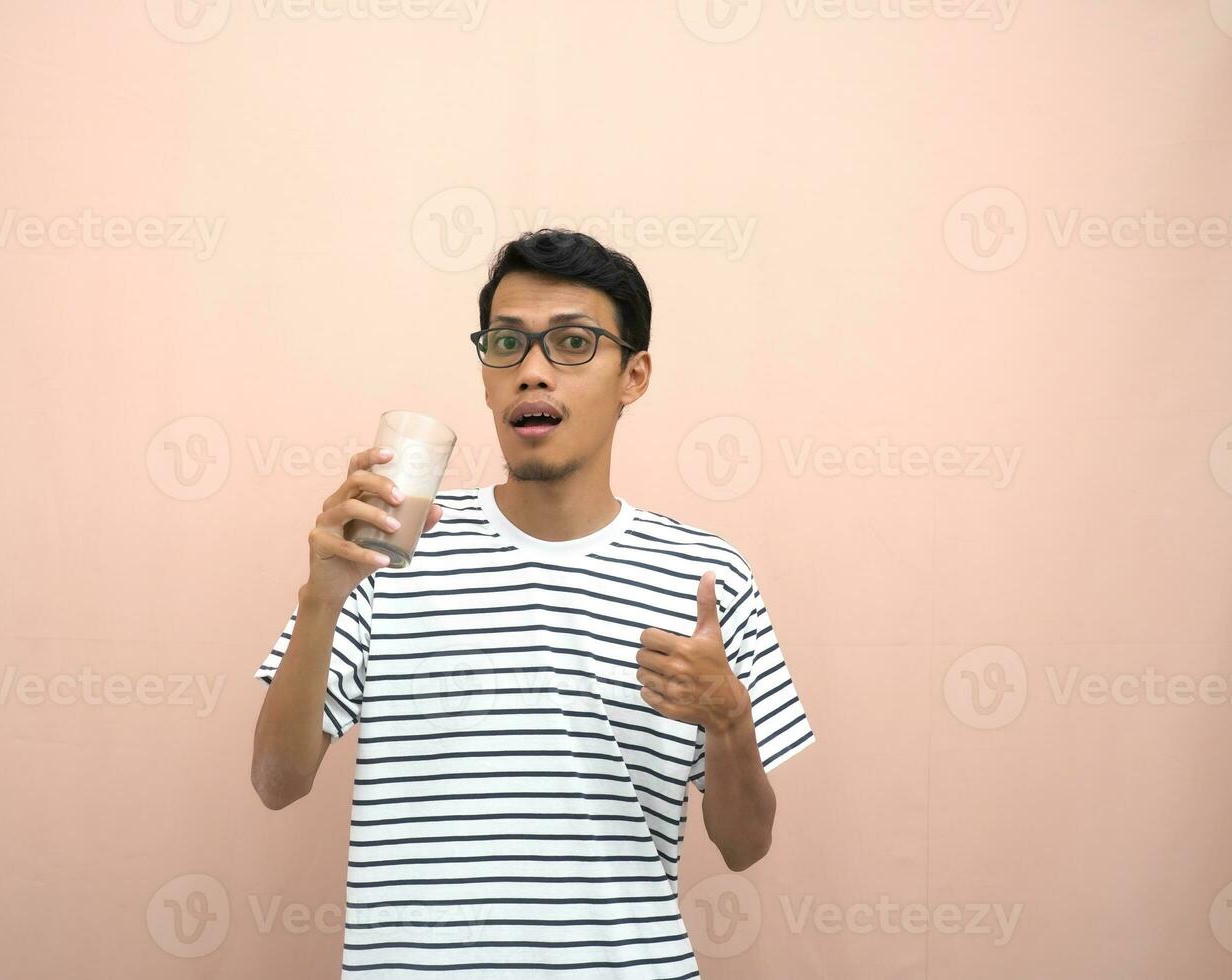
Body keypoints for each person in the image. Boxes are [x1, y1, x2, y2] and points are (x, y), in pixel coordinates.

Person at [251, 228, 816, 978]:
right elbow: (276, 783)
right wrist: (320, 599)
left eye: (574, 344)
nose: (532, 372)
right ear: (485, 374)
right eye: (507, 344)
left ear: (634, 375)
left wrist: (729, 718)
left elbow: (746, 846)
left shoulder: (706, 575)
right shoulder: (387, 551)